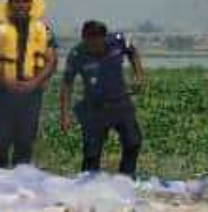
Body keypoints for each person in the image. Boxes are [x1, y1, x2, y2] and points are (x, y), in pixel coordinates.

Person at [58, 20, 145, 175]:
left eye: (97, 42)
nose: (93, 47)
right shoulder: (76, 54)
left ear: (104, 38)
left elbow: (133, 52)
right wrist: (65, 115)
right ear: (83, 38)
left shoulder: (118, 40)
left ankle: (125, 179)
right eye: (89, 42)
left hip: (120, 103)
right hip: (94, 109)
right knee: (92, 153)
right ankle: (89, 185)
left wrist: (139, 76)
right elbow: (67, 85)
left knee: (133, 143)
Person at [0, 0, 59, 168]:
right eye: (17, 1)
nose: (21, 5)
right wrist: (5, 81)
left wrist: (35, 83)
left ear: (31, 4)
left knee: (25, 142)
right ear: (10, 4)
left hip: (31, 93)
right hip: (3, 93)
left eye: (25, 1)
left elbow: (52, 61)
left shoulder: (44, 29)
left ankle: (20, 185)